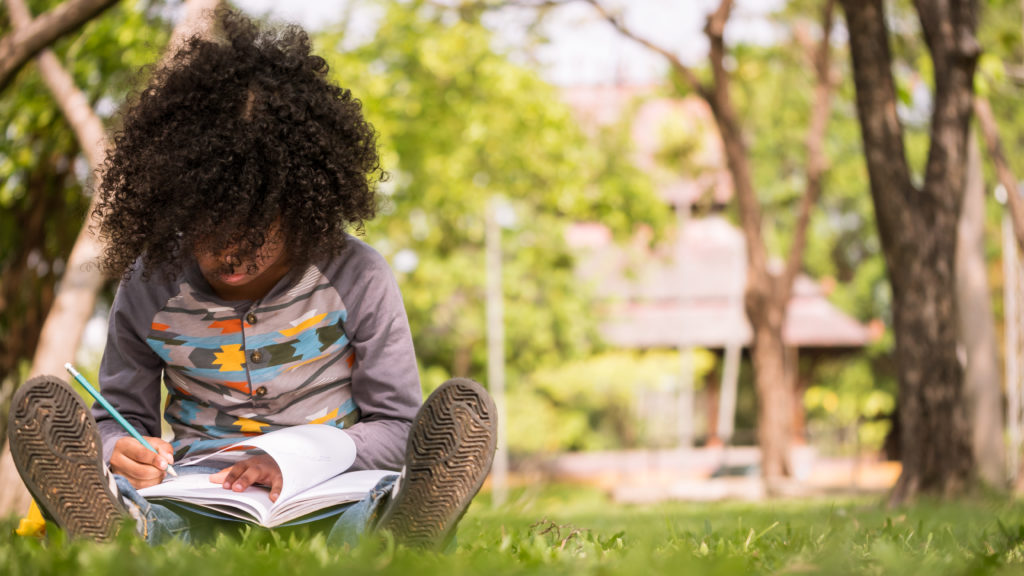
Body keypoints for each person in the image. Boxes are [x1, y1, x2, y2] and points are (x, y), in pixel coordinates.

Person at [7, 8, 496, 549]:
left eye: (255, 224)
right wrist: (113, 450)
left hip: (332, 489)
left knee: (360, 520)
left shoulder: (357, 276)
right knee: (164, 530)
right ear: (174, 207)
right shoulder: (150, 285)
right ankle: (118, 531)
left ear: (301, 203)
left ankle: (400, 529)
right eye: (208, 224)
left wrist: (293, 460)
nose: (232, 250)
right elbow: (117, 421)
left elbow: (399, 427)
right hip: (199, 492)